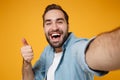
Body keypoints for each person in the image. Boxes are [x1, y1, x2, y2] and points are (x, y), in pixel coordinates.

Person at [20, 4, 120, 80]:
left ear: (68, 25)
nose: (54, 27)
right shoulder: (47, 52)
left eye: (59, 21)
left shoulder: (76, 48)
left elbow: (98, 51)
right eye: (48, 23)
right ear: (44, 28)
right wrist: (27, 63)